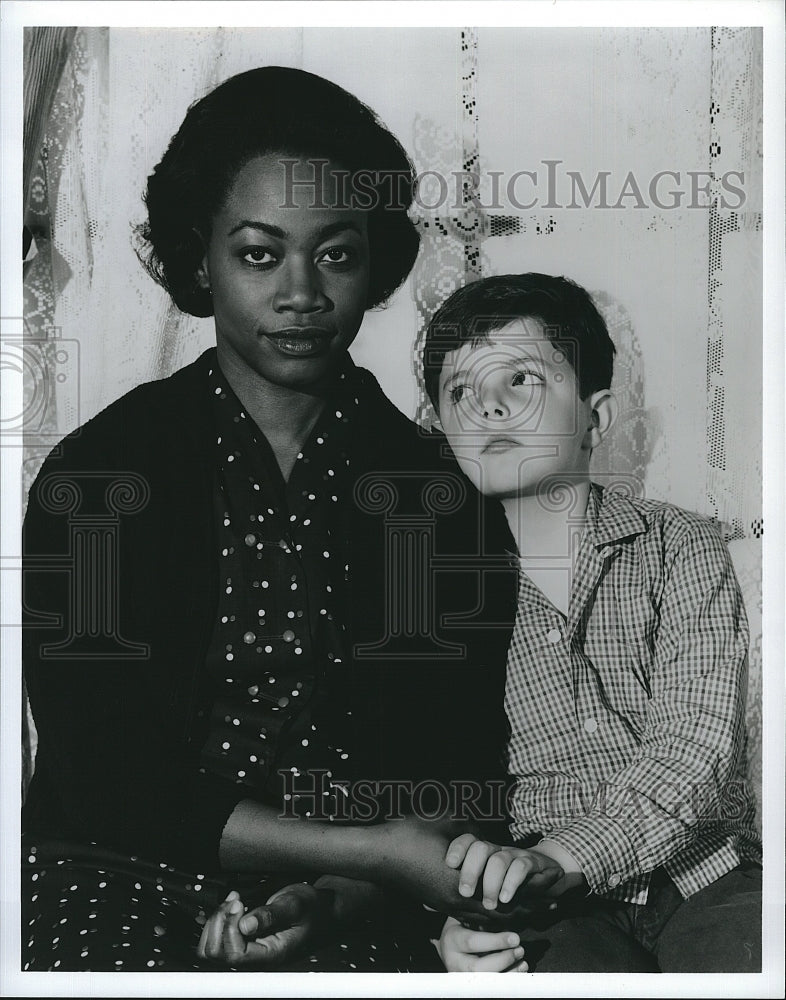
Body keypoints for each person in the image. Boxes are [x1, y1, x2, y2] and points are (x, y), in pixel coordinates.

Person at [21, 66, 519, 972]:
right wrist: (368, 852)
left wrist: (338, 897)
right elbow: (100, 770)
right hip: (113, 870)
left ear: (376, 265)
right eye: (259, 253)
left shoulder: (436, 496)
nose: (301, 292)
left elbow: (453, 750)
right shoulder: (99, 474)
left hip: (356, 900)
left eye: (335, 253)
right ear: (198, 257)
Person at [419, 273, 763, 973]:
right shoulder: (434, 581)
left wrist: (565, 856)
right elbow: (425, 768)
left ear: (596, 417)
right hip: (544, 905)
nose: (488, 405)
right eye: (461, 392)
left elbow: (693, 750)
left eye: (521, 379)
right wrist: (450, 916)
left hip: (707, 873)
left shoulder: (681, 544)